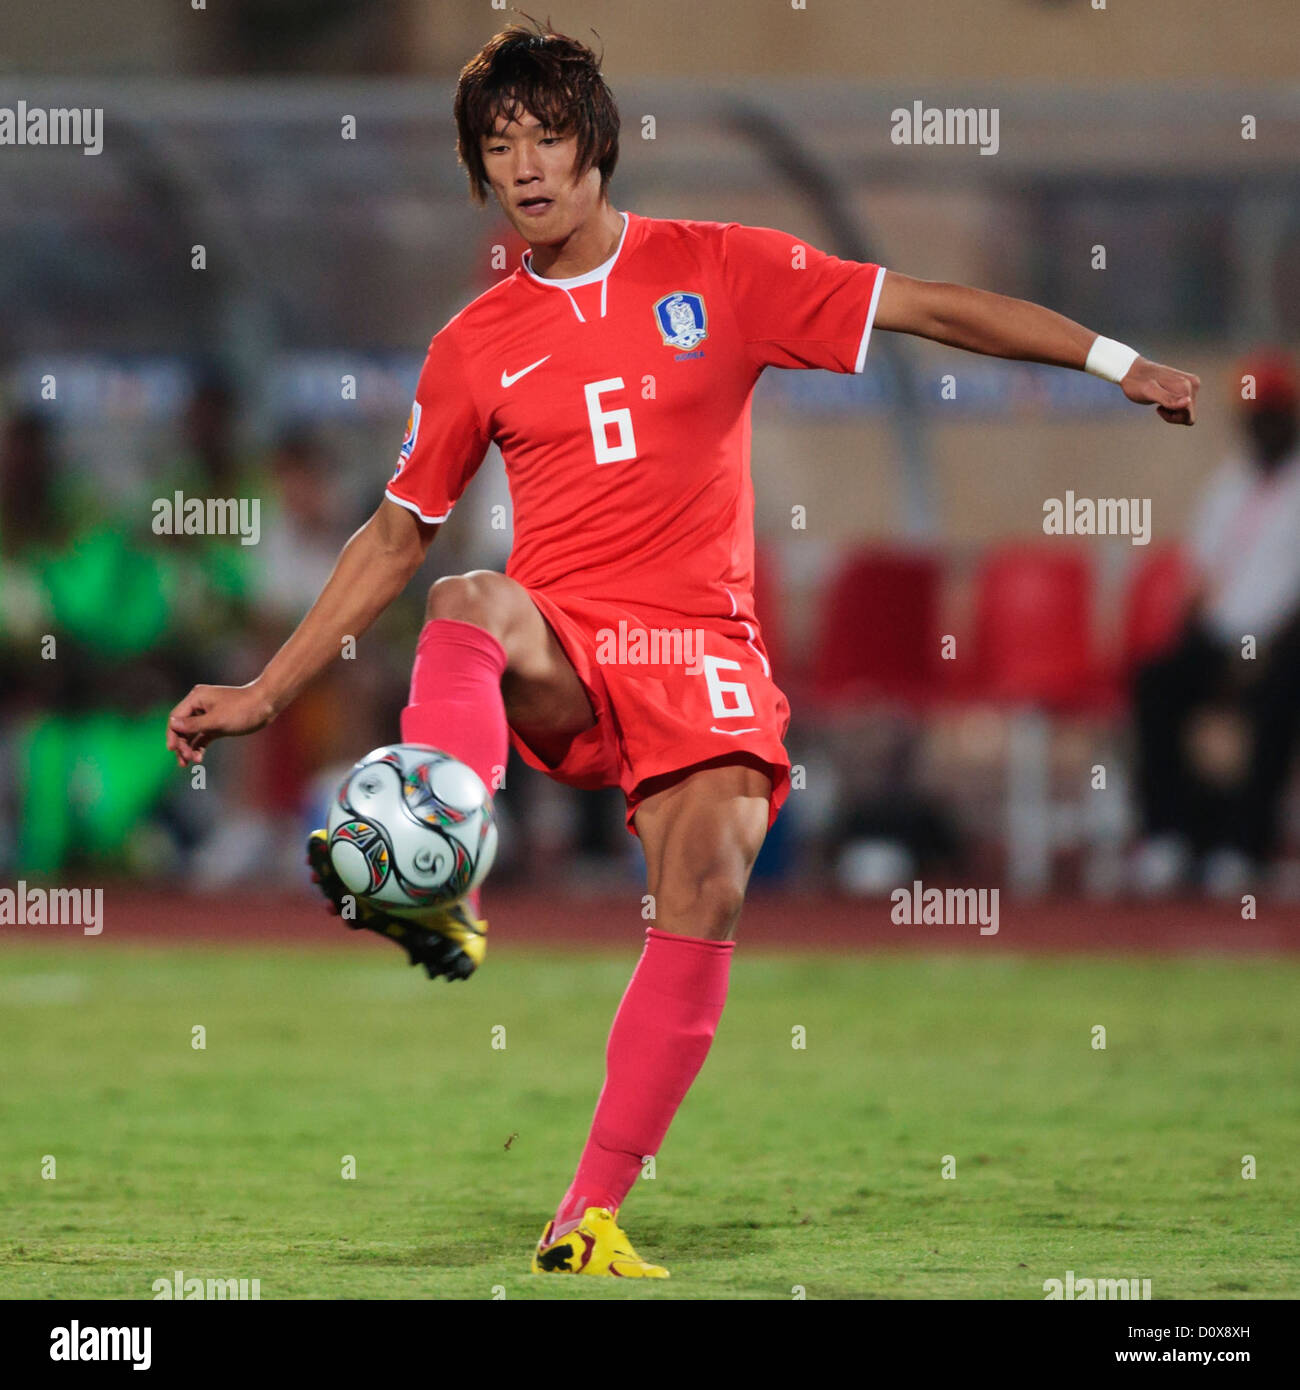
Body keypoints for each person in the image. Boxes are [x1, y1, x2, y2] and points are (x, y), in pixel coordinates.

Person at [165, 22, 1199, 1278]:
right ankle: (441, 847)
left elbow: (926, 306)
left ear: (595, 143)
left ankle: (584, 1215)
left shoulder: (724, 268)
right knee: (467, 596)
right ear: (480, 173)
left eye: (547, 137)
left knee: (705, 886)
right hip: (567, 647)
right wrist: (270, 691)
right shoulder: (471, 345)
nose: (527, 168)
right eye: (500, 149)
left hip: (702, 647)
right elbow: (394, 536)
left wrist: (1113, 359)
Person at [1132, 351, 1300, 896]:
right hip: (1221, 639)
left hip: (1283, 644)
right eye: (1254, 415)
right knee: (1157, 683)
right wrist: (1198, 644)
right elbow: (1200, 579)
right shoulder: (1228, 485)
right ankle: (1170, 836)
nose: (1262, 427)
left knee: (1279, 700)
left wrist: (1261, 653)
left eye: (1272, 414)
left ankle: (1242, 846)